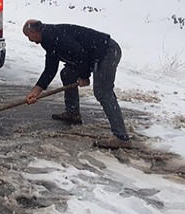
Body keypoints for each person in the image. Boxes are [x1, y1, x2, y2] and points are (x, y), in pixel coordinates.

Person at [22, 19, 132, 149]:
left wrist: (84, 76)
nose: (30, 41)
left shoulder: (54, 35)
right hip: (92, 56)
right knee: (67, 74)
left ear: (33, 31)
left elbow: (80, 54)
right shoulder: (48, 39)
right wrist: (35, 91)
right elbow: (50, 69)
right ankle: (73, 113)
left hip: (106, 52)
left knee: (102, 92)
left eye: (28, 36)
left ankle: (121, 137)